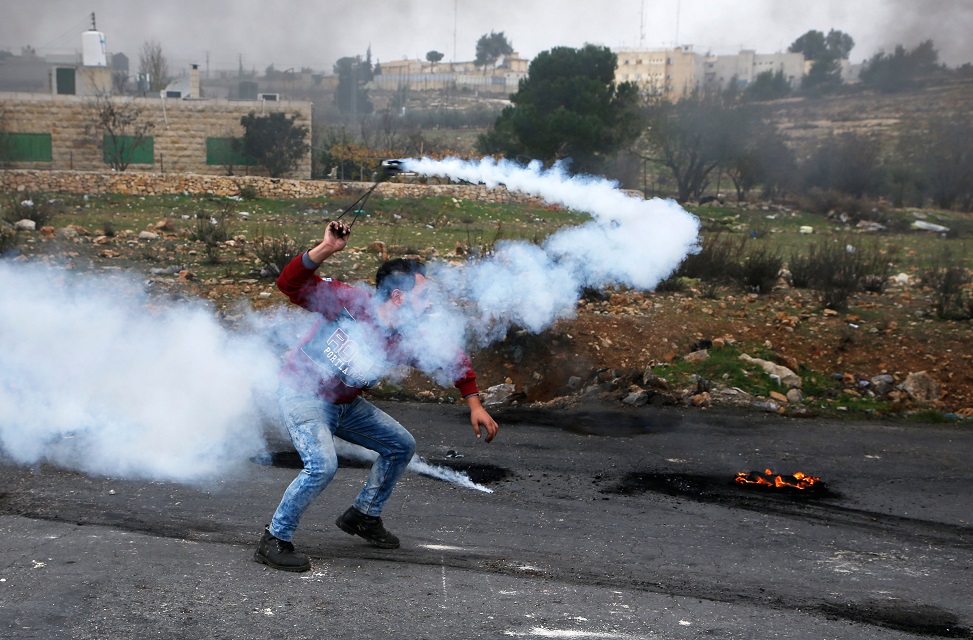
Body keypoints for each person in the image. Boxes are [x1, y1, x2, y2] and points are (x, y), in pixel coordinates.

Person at [254, 219, 499, 572]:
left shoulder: (407, 335)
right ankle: (274, 538)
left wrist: (474, 403)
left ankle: (363, 515)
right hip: (302, 393)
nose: (429, 305)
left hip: (344, 406)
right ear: (398, 297)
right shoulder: (347, 301)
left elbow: (452, 359)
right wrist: (326, 248)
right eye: (423, 297)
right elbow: (289, 283)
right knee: (322, 466)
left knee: (401, 445)